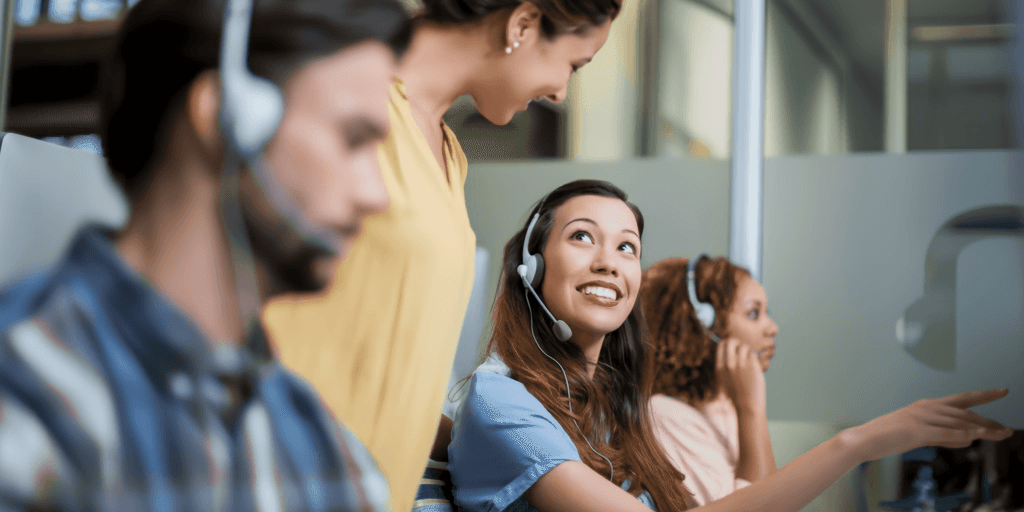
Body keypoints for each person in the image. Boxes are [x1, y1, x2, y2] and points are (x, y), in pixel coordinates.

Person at [0, 0, 410, 509]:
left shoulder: (328, 453)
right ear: (227, 117)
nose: (378, 195)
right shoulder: (25, 397)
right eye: (353, 140)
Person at [444, 179, 1013, 512]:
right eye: (582, 237)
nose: (607, 262)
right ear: (531, 266)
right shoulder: (501, 402)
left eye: (627, 247)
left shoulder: (608, 406)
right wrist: (857, 443)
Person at [261, 0, 621, 509]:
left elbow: (383, 362)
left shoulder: (449, 153)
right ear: (522, 23)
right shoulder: (348, 102)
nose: (561, 91)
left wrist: (494, 439)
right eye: (572, 64)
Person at [641, 256, 777, 505]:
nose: (772, 328)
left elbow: (781, 498)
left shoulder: (728, 406)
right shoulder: (665, 415)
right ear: (704, 326)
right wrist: (751, 409)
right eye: (753, 313)